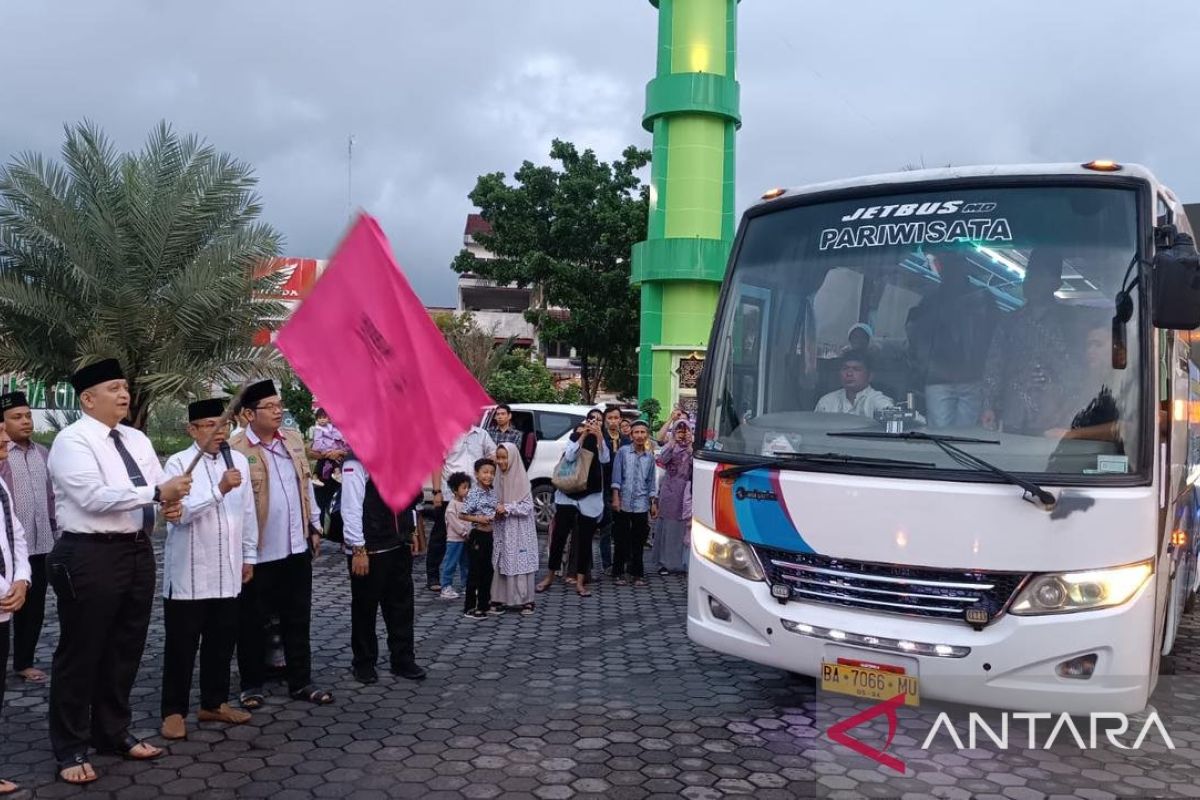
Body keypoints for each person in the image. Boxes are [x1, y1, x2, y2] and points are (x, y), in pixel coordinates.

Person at [46, 359, 192, 784]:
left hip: (136, 551)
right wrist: (154, 492)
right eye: (113, 388)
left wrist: (169, 502)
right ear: (88, 398)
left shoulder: (137, 438)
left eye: (125, 387)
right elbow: (92, 496)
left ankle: (112, 732)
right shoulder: (72, 441)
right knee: (81, 651)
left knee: (125, 647)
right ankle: (70, 747)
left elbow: (157, 485)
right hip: (89, 554)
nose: (124, 395)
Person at [159, 398, 257, 741]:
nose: (220, 433)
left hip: (227, 570)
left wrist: (249, 556)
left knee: (221, 641)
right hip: (190, 573)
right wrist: (219, 490)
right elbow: (180, 515)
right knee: (182, 646)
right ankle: (173, 711)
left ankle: (214, 703)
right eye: (211, 426)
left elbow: (247, 513)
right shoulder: (178, 464)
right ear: (193, 429)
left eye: (225, 425)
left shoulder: (238, 462)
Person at [230, 379, 332, 709]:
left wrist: (315, 526)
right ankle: (251, 684)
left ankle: (301, 681)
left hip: (295, 547)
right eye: (271, 407)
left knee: (297, 617)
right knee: (252, 620)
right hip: (257, 552)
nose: (278, 412)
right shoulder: (235, 451)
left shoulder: (292, 441)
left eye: (279, 406)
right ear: (248, 414)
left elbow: (305, 486)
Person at [339, 453, 426, 684]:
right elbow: (351, 506)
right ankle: (364, 662)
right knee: (365, 608)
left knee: (401, 606)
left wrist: (412, 530)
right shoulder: (356, 461)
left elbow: (410, 500)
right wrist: (358, 548)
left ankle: (403, 658)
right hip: (371, 547)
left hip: (398, 542)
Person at [981, 249, 1084, 435]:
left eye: (1039, 275)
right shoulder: (1009, 322)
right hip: (1014, 415)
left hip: (1055, 418)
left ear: (1056, 283)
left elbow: (1079, 370)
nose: (1030, 280)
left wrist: (1065, 401)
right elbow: (994, 366)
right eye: (1029, 274)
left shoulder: (1069, 322)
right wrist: (989, 405)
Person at [0, 391, 57, 684]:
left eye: (28, 416)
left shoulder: (44, 454)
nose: (25, 422)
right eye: (16, 417)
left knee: (32, 607)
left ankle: (23, 661)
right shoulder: (0, 454)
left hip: (41, 543)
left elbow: (52, 497)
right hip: (6, 551)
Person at [906, 251, 998, 428]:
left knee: (965, 438)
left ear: (964, 267)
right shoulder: (931, 300)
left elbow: (995, 341)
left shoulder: (982, 299)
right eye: (946, 266)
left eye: (954, 265)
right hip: (943, 378)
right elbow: (917, 338)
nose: (949, 270)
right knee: (942, 437)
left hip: (969, 379)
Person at [538, 416, 609, 598]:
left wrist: (599, 435)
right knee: (558, 539)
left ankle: (579, 581)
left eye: (592, 425)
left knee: (585, 541)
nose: (587, 428)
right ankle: (550, 576)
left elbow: (605, 458)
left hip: (590, 497)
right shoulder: (572, 441)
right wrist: (582, 436)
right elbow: (570, 456)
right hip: (567, 495)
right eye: (583, 426)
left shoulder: (598, 441)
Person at [428, 425, 496, 593]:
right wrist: (436, 491)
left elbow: (492, 455)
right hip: (449, 493)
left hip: (474, 495)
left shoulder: (482, 434)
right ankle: (433, 575)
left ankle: (470, 579)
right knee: (441, 534)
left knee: (472, 536)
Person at [0, 476, 31, 797]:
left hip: (6, 599)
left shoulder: (0, 483)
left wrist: (21, 578)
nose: (4, 437)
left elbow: (15, 534)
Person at [491, 443, 538, 614]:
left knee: (520, 559)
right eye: (499, 457)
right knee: (502, 559)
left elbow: (527, 507)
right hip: (502, 528)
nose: (501, 462)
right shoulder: (497, 478)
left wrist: (508, 508)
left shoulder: (521, 479)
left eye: (505, 457)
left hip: (519, 529)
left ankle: (526, 600)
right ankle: (500, 598)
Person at [610, 421, 658, 587]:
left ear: (647, 435)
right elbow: (616, 477)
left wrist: (653, 502)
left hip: (641, 503)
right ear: (631, 435)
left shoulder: (649, 457)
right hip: (623, 501)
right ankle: (618, 572)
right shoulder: (623, 452)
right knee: (621, 539)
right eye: (636, 432)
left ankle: (636, 573)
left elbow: (651, 482)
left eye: (642, 432)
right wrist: (615, 497)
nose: (639, 435)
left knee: (638, 541)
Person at [654, 418, 694, 575]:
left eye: (686, 431)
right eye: (679, 431)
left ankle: (682, 562)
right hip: (670, 492)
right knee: (668, 527)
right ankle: (664, 562)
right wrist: (672, 443)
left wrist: (691, 446)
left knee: (684, 528)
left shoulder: (692, 449)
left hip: (687, 493)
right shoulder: (671, 447)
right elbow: (662, 460)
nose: (682, 435)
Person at [460, 458, 499, 619]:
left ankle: (484, 604)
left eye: (491, 473)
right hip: (478, 535)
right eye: (485, 472)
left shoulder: (492, 492)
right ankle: (470, 606)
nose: (488, 476)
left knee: (488, 571)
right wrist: (479, 519)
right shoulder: (474, 493)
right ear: (477, 474)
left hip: (490, 535)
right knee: (475, 571)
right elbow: (462, 514)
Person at [596, 406, 629, 575]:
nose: (613, 421)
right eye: (610, 418)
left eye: (616, 418)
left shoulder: (627, 440)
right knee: (606, 527)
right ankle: (607, 562)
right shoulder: (601, 439)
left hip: (624, 488)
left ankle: (621, 561)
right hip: (604, 487)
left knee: (622, 527)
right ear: (605, 420)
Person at [814, 350, 896, 419]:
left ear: (870, 376)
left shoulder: (879, 402)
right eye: (845, 368)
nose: (849, 373)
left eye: (856, 369)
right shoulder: (826, 402)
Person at [307, 408, 348, 531]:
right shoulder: (321, 429)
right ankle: (319, 532)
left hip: (340, 474)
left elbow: (353, 450)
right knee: (321, 503)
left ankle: (340, 536)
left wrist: (340, 452)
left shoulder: (346, 429)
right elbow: (310, 451)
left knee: (340, 505)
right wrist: (327, 454)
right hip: (324, 475)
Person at [439, 473, 472, 599]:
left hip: (465, 539)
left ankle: (466, 585)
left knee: (466, 563)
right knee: (450, 563)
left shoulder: (466, 503)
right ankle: (446, 586)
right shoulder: (451, 506)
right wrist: (465, 532)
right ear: (454, 490)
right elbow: (454, 523)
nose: (467, 490)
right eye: (464, 487)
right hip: (455, 540)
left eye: (468, 487)